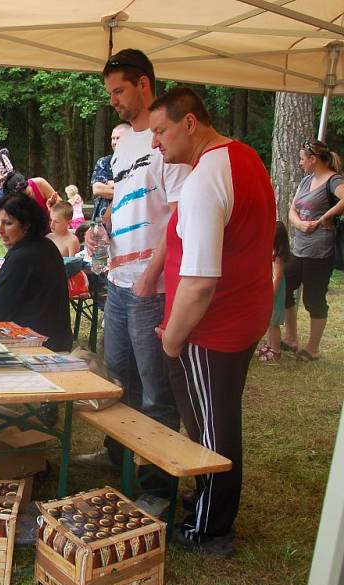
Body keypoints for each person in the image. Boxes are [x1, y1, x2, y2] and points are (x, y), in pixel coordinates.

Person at [150, 86, 275, 557]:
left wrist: (173, 339)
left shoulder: (205, 179)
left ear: (189, 123)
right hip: (242, 314)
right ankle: (208, 498)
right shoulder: (244, 156)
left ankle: (209, 527)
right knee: (215, 418)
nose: (157, 144)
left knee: (212, 426)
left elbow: (200, 282)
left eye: (161, 131)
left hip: (213, 326)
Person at [75, 50, 190, 518]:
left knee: (155, 392)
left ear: (144, 85)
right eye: (110, 94)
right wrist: (100, 226)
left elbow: (180, 216)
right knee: (117, 379)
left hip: (151, 287)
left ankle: (159, 486)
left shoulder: (167, 141)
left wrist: (150, 274)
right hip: (118, 281)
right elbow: (127, 203)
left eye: (119, 91)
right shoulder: (124, 145)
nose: (114, 102)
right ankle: (118, 453)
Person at [0, 191, 72, 352]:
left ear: (26, 225)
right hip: (57, 342)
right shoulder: (46, 245)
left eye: (8, 223)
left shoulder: (23, 256)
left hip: (34, 348)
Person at [281, 140, 344, 361]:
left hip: (320, 252)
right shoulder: (307, 180)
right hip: (299, 249)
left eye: (302, 159)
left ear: (313, 159)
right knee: (284, 287)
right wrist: (299, 224)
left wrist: (325, 217)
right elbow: (292, 209)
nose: (300, 163)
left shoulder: (333, 180)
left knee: (313, 298)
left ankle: (312, 348)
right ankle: (290, 338)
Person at [257, 222, 291, 362]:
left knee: (274, 322)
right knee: (269, 322)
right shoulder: (272, 251)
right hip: (270, 287)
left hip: (275, 292)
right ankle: (270, 345)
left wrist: (270, 295)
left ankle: (276, 350)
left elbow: (277, 277)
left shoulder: (278, 256)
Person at [90, 122, 132, 222]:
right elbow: (97, 189)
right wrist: (125, 187)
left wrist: (111, 184)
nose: (114, 142)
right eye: (113, 138)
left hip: (128, 219)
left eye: (118, 138)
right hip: (102, 221)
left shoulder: (138, 163)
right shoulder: (104, 162)